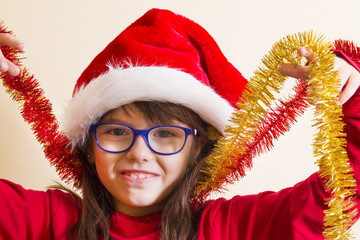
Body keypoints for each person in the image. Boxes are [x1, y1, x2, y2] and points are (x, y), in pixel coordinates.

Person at [0, 8, 359, 240]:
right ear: (89, 147)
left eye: (167, 134)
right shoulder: (46, 221)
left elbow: (339, 198)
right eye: (116, 132)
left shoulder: (226, 228)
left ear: (197, 149)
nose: (139, 153)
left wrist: (352, 92)